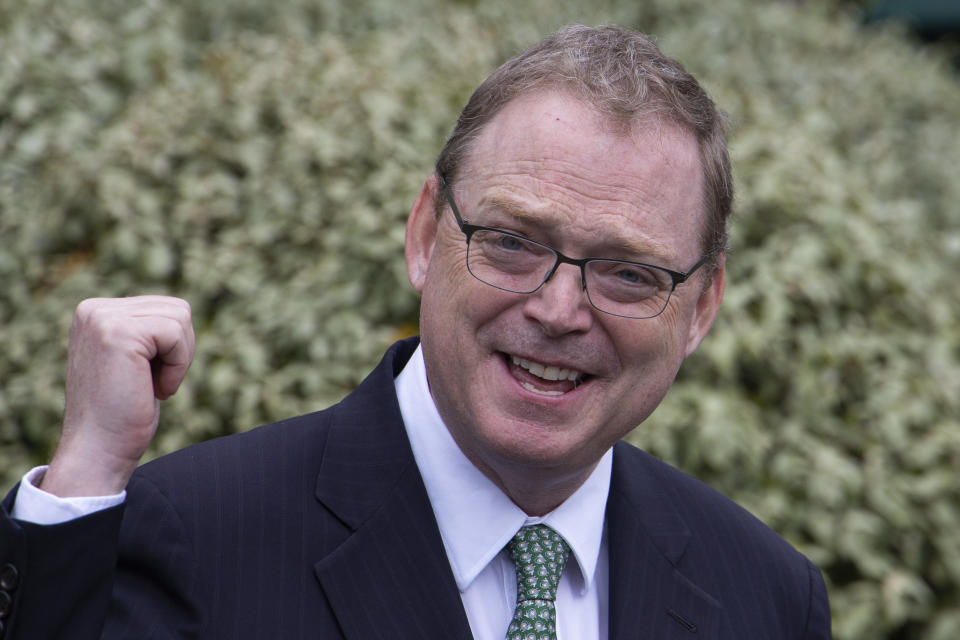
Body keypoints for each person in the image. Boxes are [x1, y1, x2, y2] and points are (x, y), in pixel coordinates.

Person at [0, 25, 831, 639]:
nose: (557, 310)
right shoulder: (191, 534)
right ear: (425, 234)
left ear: (703, 307)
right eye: (512, 242)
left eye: (628, 273)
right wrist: (79, 490)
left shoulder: (768, 597)